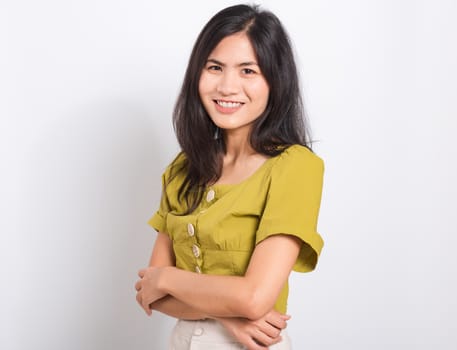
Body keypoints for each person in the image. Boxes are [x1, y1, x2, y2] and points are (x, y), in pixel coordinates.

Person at [135, 4, 324, 350]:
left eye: (248, 71)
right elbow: (152, 296)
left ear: (275, 80)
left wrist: (169, 278)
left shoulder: (296, 167)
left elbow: (254, 298)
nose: (227, 86)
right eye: (215, 67)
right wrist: (226, 315)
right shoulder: (183, 169)